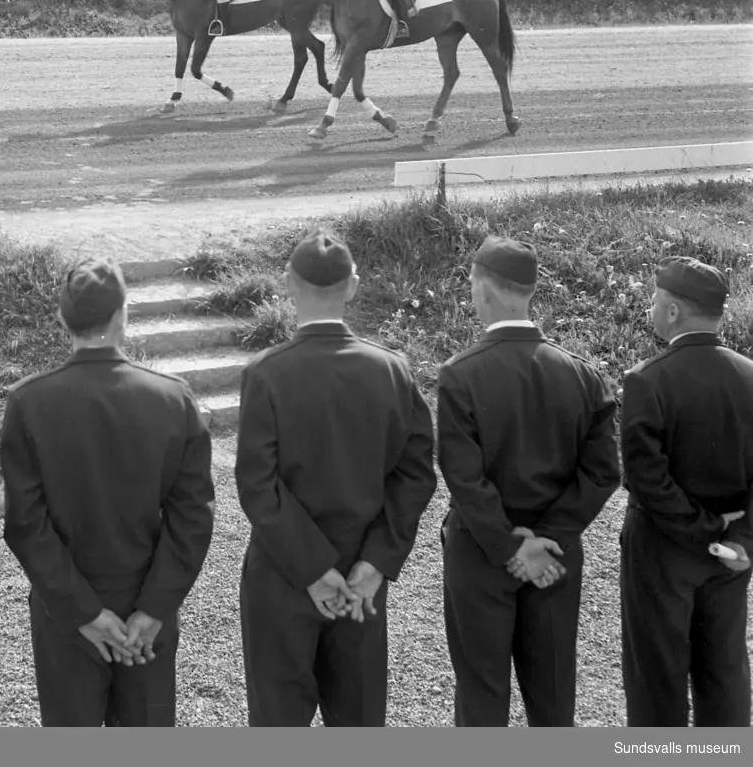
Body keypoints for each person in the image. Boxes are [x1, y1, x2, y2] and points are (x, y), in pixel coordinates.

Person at [0, 257, 215, 726]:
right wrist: (154, 610)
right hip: (146, 601)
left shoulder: (29, 403)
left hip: (65, 612)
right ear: (123, 314)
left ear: (61, 319)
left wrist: (83, 613)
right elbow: (192, 517)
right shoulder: (172, 398)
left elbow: (25, 526)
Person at [234, 229, 437, 726]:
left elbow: (257, 485)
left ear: (287, 283)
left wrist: (312, 569)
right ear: (353, 286)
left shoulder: (266, 374)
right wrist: (377, 561)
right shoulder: (392, 370)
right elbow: (415, 475)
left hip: (283, 575)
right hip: (361, 577)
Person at [436, 235, 620, 727]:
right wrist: (549, 538)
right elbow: (603, 470)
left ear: (485, 290)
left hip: (480, 551)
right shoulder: (584, 374)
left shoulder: (460, 374)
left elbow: (463, 475)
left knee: (481, 692)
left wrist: (508, 545)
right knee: (554, 693)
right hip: (556, 559)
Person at [619, 256, 753, 727]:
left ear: (673, 311)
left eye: (656, 300)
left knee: (657, 679)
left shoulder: (647, 379)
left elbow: (645, 480)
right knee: (725, 674)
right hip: (731, 557)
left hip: (661, 552)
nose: (652, 309)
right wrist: (741, 539)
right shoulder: (751, 376)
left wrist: (704, 528)